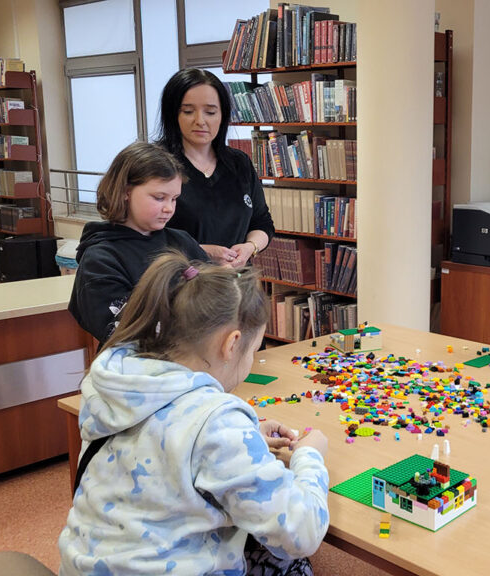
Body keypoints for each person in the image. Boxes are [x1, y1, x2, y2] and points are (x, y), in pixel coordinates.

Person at [59, 252, 330, 576]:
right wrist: (310, 458)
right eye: (254, 351)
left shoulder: (114, 386)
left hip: (83, 568)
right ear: (231, 345)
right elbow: (301, 533)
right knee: (291, 561)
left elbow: (161, 449)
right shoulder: (217, 421)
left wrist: (247, 440)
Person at [69, 141, 209, 344]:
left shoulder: (182, 241)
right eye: (159, 198)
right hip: (136, 368)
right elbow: (125, 332)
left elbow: (215, 298)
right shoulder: (100, 260)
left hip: (193, 361)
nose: (169, 208)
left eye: (174, 199)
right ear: (126, 192)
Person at [156, 68, 275, 267]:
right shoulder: (155, 164)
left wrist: (250, 247)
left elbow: (262, 221)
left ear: (222, 115)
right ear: (173, 114)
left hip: (236, 286)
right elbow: (141, 236)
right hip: (181, 286)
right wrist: (200, 251)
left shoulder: (239, 163)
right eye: (188, 111)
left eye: (210, 112)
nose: (200, 121)